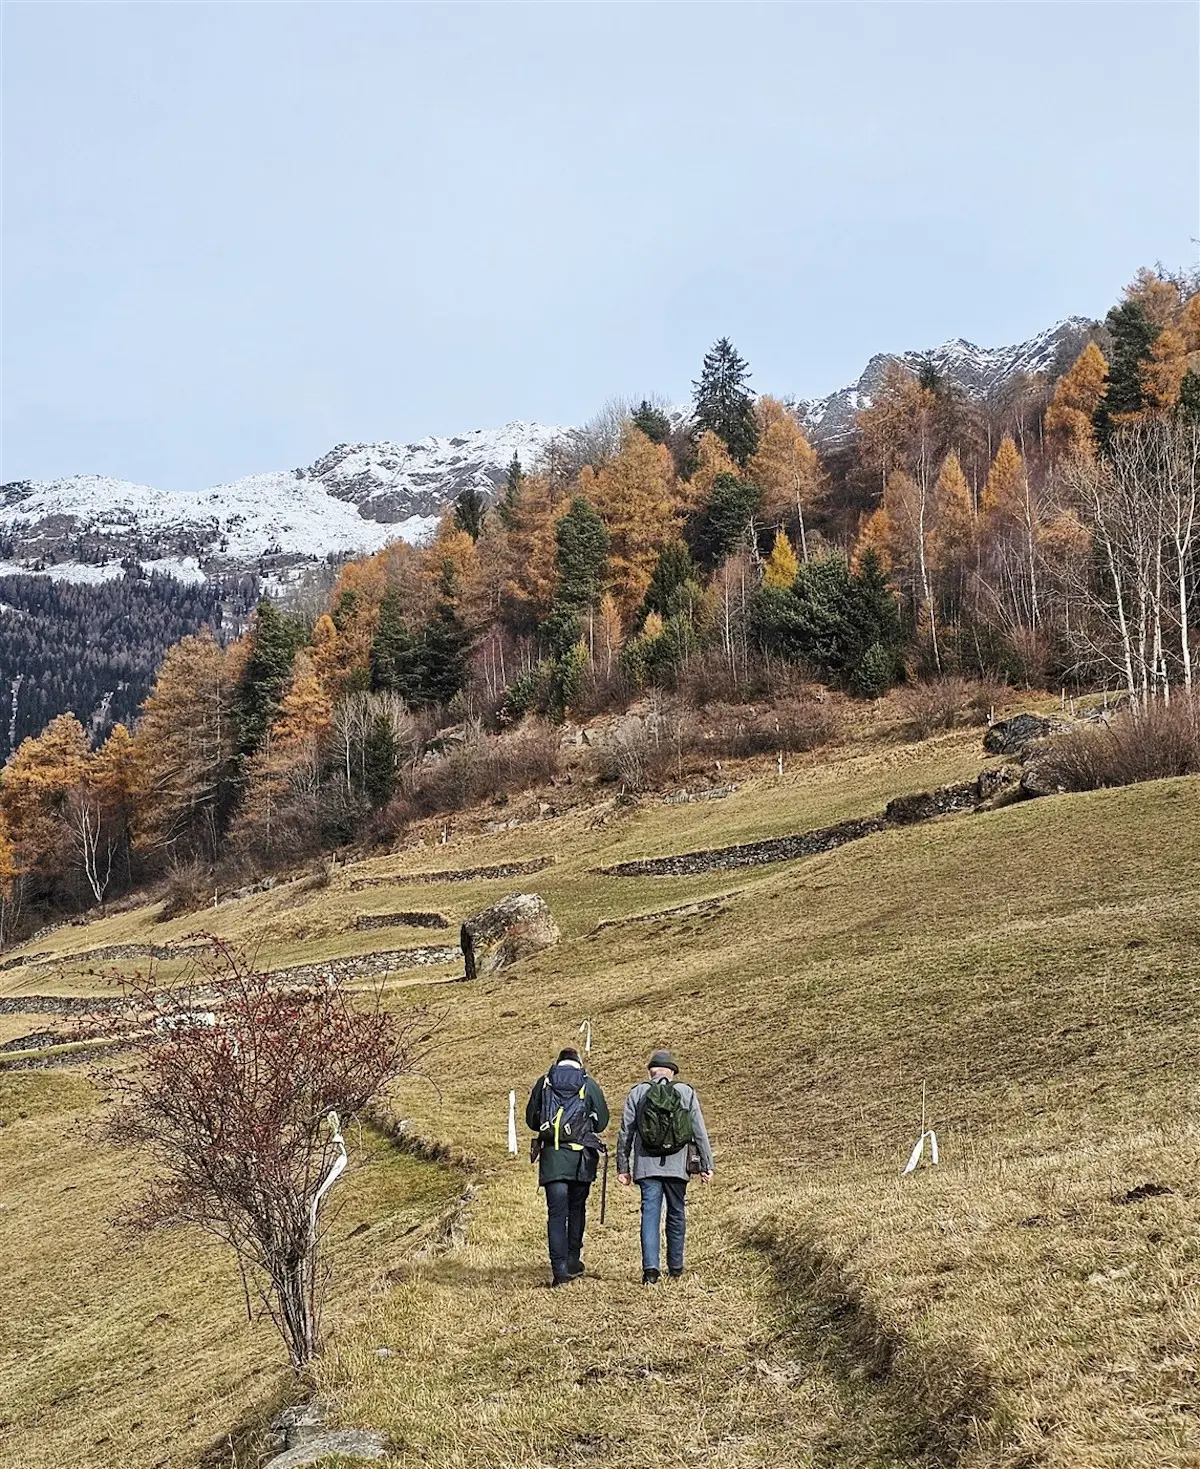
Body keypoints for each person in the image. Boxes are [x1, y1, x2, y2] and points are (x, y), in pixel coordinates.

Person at [616, 1049, 713, 1284]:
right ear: (672, 1072)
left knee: (650, 1214)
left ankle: (651, 1271)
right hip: (677, 1165)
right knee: (676, 1212)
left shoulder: (638, 1092)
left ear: (651, 1072)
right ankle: (676, 1267)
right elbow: (699, 1131)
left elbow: (626, 1132)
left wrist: (623, 1167)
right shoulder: (685, 1092)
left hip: (646, 1165)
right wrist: (706, 1165)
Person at [526, 1046, 610, 1287]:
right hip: (580, 1159)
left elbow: (531, 1120)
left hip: (552, 1159)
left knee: (556, 1214)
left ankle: (559, 1269)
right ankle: (573, 1259)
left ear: (558, 1062)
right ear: (578, 1063)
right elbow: (602, 1121)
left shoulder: (544, 1083)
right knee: (577, 1210)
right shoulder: (587, 1083)